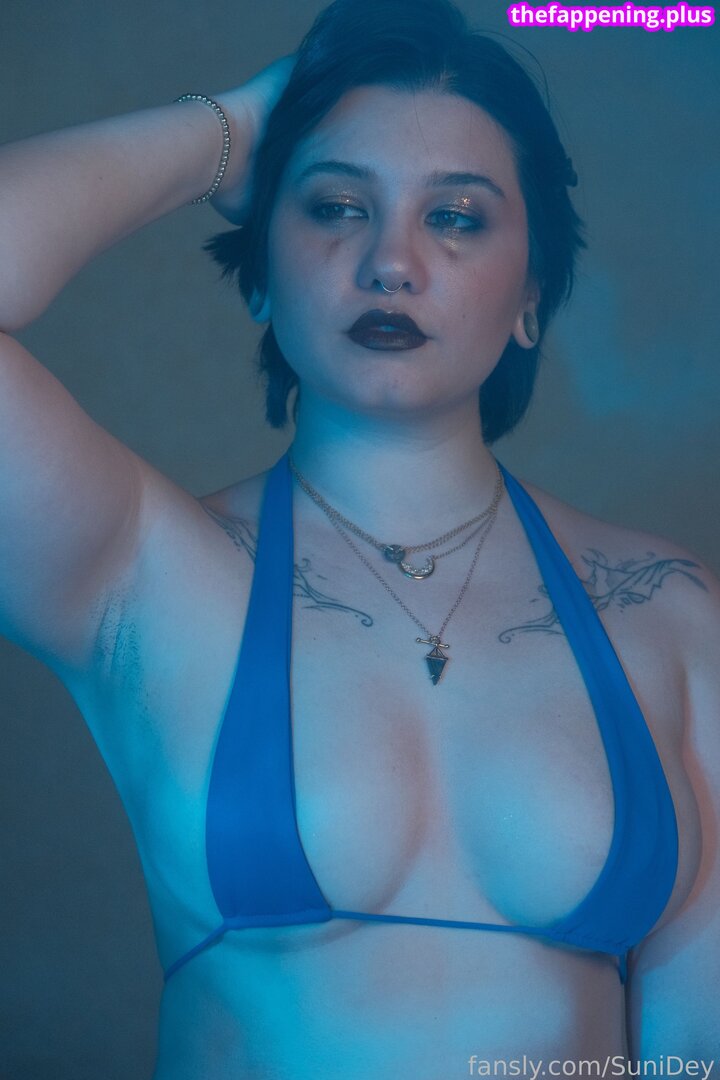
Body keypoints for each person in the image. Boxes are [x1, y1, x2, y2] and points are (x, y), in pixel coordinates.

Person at [1, 0, 718, 1075]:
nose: (392, 262)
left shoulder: (666, 607)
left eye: (457, 218)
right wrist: (235, 127)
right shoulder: (144, 570)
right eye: (336, 206)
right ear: (259, 272)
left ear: (531, 295)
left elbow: (695, 1048)